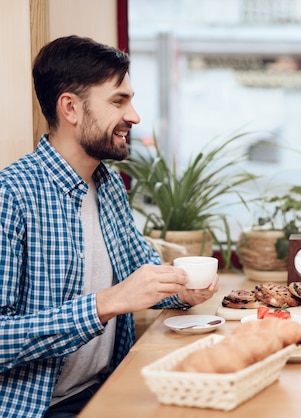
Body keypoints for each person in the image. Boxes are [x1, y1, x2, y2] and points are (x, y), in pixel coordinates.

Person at [0, 35, 219, 417]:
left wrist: (182, 291)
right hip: (40, 408)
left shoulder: (108, 184)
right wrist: (105, 304)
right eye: (119, 101)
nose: (134, 116)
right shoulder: (11, 195)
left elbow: (141, 276)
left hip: (107, 386)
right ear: (70, 107)